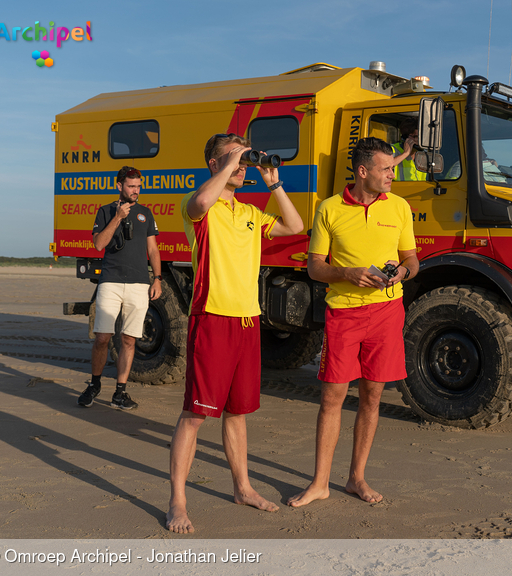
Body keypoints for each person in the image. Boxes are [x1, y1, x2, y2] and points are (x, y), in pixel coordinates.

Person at [166, 133, 304, 533]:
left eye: (245, 159)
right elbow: (201, 203)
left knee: (238, 412)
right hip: (211, 317)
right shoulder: (199, 207)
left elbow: (294, 225)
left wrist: (273, 182)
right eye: (235, 158)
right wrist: (231, 162)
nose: (243, 166)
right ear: (214, 164)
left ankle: (242, 487)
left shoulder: (250, 213)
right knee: (194, 415)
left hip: (247, 319)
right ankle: (178, 500)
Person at [287, 137, 418, 508]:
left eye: (393, 168)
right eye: (386, 169)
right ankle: (319, 483)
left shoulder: (401, 207)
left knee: (373, 395)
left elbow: (412, 259)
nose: (392, 174)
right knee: (332, 397)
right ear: (363, 172)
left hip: (387, 313)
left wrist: (402, 273)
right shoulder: (328, 209)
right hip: (343, 313)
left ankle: (356, 478)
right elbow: (314, 267)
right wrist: (348, 272)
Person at [77, 166, 161, 411]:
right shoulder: (105, 212)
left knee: (129, 340)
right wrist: (118, 217)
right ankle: (94, 385)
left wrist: (157, 278)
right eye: (131, 186)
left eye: (138, 186)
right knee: (102, 337)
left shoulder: (146, 214)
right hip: (110, 282)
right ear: (119, 186)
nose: (136, 191)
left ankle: (120, 392)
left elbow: (153, 250)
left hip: (139, 284)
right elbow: (98, 244)